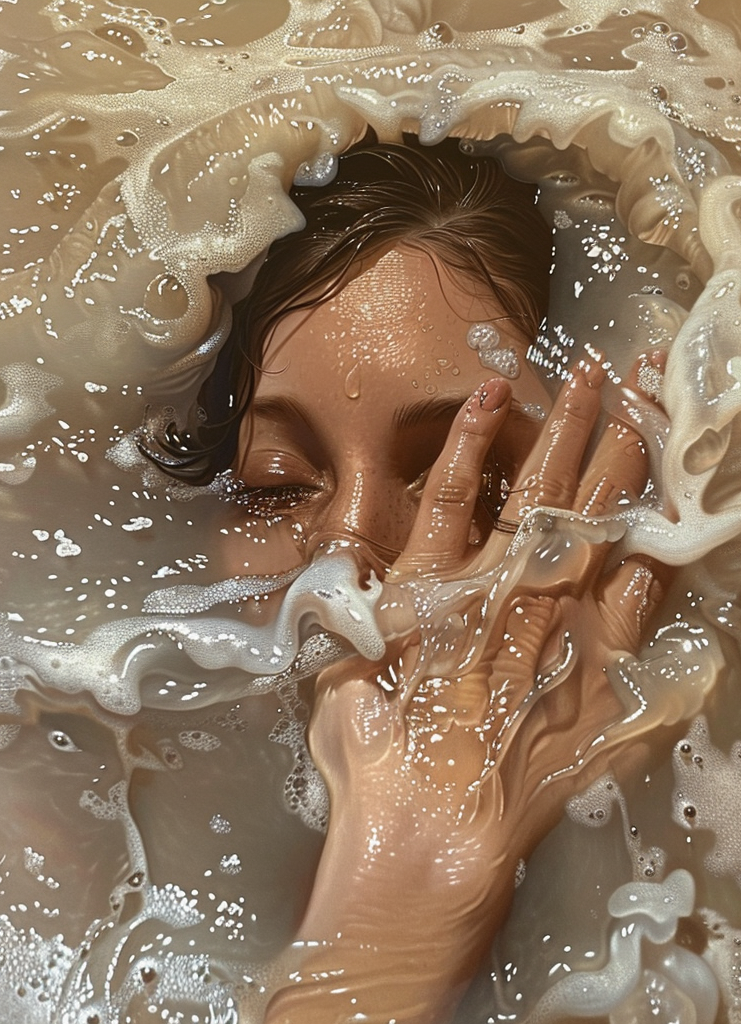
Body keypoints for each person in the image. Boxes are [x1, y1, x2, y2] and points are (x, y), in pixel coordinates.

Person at [146, 135, 665, 1024]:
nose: (346, 552)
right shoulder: (61, 813)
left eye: (479, 491)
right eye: (273, 484)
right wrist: (401, 916)